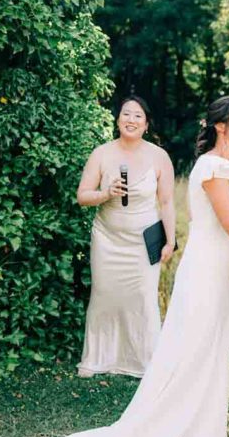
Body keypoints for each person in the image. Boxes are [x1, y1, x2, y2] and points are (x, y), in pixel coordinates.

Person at [15, 96, 229, 437]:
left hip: (219, 268)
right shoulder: (211, 167)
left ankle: (205, 430)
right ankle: (177, 429)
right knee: (192, 350)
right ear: (221, 126)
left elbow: (224, 227)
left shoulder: (228, 168)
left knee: (210, 350)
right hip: (204, 273)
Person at [74, 96, 175, 379]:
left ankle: (143, 362)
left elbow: (166, 202)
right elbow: (82, 196)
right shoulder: (101, 154)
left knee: (142, 298)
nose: (131, 120)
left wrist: (170, 241)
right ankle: (98, 359)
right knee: (104, 296)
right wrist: (106, 194)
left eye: (138, 116)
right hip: (107, 238)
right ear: (118, 120)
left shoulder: (159, 157)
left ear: (146, 124)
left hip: (143, 242)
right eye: (126, 114)